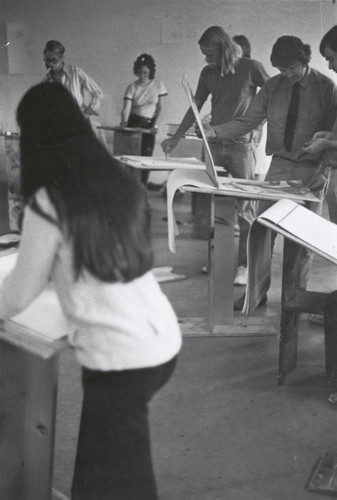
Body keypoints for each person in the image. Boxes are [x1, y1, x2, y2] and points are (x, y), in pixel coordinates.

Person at [1, 82, 182, 499]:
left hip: (123, 359)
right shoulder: (113, 180)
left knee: (113, 480)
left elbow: (16, 295)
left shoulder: (50, 201)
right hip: (160, 342)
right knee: (113, 460)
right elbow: (80, 255)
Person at [202, 35, 337, 306]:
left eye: (291, 69)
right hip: (279, 167)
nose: (287, 75)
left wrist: (325, 170)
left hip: (312, 171)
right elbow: (247, 120)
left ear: (304, 59)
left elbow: (333, 133)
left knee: (300, 241)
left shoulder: (326, 87)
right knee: (262, 231)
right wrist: (215, 131)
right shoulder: (273, 87)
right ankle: (256, 293)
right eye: (281, 70)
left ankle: (293, 298)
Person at [161, 26, 269, 285]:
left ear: (225, 48)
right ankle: (218, 260)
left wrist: (259, 126)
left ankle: (244, 266)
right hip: (213, 147)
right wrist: (176, 138)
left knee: (245, 209)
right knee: (213, 203)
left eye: (210, 54)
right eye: (204, 55)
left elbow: (274, 95)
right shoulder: (208, 72)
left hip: (241, 147)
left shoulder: (251, 67)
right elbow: (195, 106)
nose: (207, 59)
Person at [42, 40, 105, 142]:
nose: (50, 63)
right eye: (47, 60)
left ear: (62, 58)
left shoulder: (75, 72)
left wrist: (88, 112)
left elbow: (98, 93)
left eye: (54, 60)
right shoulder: (46, 80)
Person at [121, 53, 167, 185]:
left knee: (145, 160)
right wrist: (124, 124)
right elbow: (126, 108)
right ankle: (130, 190)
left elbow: (160, 108)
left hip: (148, 125)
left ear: (150, 71)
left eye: (145, 73)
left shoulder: (158, 84)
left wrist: (155, 126)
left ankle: (142, 190)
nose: (142, 76)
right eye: (139, 72)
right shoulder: (132, 87)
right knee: (130, 160)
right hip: (133, 123)